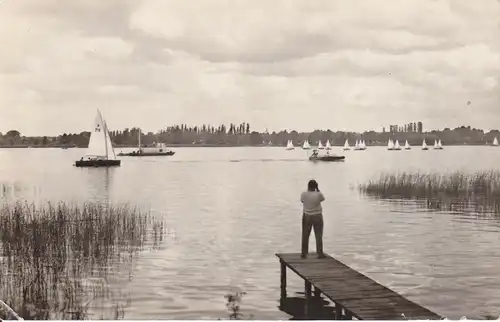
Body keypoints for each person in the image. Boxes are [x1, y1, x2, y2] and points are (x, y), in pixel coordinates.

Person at [300, 179, 325, 259]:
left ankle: (304, 253)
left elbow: (302, 201)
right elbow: (323, 199)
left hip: (307, 215)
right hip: (317, 215)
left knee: (305, 235)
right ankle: (320, 253)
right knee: (318, 235)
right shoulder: (318, 194)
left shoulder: (304, 194)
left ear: (308, 186)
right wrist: (317, 189)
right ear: (315, 186)